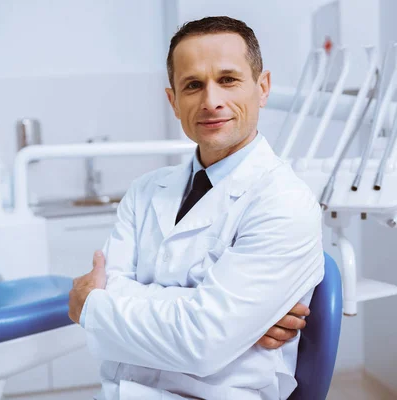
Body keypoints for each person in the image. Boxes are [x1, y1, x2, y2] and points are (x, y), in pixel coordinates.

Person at [68, 16, 324, 400]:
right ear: (173, 101)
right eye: (193, 85)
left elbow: (202, 342)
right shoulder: (144, 192)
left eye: (228, 79)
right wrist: (232, 318)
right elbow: (205, 328)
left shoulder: (284, 202)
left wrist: (93, 306)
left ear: (263, 87)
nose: (211, 101)